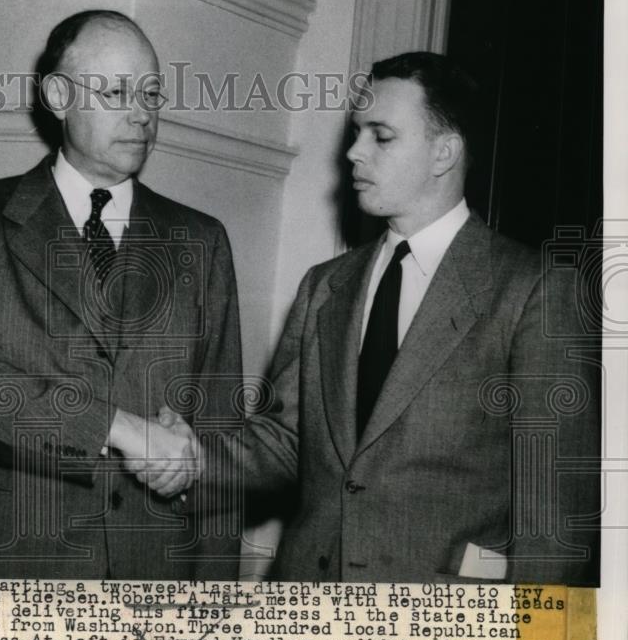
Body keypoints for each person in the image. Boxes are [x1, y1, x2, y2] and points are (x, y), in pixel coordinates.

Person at [238, 52, 600, 585]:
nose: (354, 152)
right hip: (303, 615)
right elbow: (282, 443)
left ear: (443, 153)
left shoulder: (534, 291)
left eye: (381, 136)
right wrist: (179, 453)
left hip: (443, 633)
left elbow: (556, 524)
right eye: (357, 132)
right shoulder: (324, 285)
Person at [0, 10, 244, 579]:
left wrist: (212, 604)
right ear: (59, 96)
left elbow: (219, 425)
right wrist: (122, 429)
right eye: (117, 92)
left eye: (153, 93)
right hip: (6, 563)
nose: (143, 114)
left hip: (152, 572)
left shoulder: (201, 239)